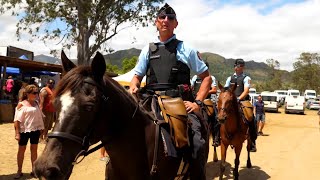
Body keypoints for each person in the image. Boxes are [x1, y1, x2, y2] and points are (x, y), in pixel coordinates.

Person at [129, 3, 212, 179]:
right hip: (150, 101)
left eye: (170, 18)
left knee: (197, 143)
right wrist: (133, 85)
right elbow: (136, 76)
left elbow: (206, 77)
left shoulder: (186, 49)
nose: (166, 20)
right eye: (162, 17)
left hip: (178, 103)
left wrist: (197, 102)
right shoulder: (147, 50)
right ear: (156, 22)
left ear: (176, 24)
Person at [224, 59, 257, 152]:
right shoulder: (229, 78)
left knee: (251, 117)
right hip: (231, 101)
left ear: (242, 67)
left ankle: (252, 139)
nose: (237, 67)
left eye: (239, 66)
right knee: (221, 114)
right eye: (236, 66)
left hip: (242, 100)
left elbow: (246, 91)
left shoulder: (246, 78)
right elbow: (226, 89)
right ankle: (219, 136)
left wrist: (238, 99)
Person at [13, 84, 44, 179]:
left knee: (34, 150)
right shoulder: (21, 104)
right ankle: (19, 171)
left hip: (35, 130)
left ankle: (34, 170)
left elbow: (39, 117)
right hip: (24, 131)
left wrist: (41, 128)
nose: (36, 94)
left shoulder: (36, 103)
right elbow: (16, 120)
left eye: (37, 92)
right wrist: (17, 133)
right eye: (34, 93)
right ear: (27, 94)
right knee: (21, 150)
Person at [190, 61, 219, 146]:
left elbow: (214, 90)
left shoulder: (212, 78)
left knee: (216, 117)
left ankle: (216, 138)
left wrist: (203, 92)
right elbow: (191, 87)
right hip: (195, 100)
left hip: (206, 100)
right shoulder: (195, 77)